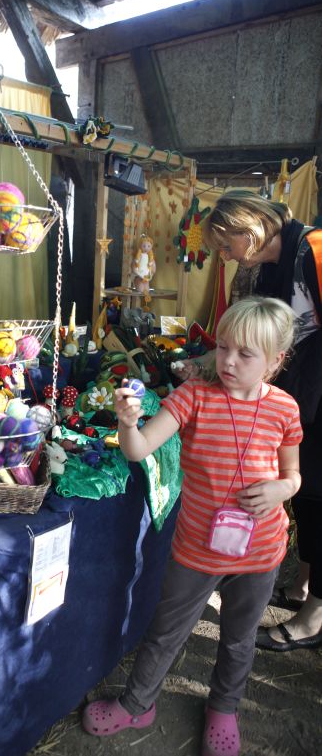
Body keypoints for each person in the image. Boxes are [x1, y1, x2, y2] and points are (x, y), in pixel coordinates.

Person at [82, 296, 302, 756]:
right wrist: (127, 423)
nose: (228, 361)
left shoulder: (284, 408)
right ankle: (137, 704)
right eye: (223, 347)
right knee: (166, 631)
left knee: (239, 639)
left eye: (245, 354)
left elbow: (293, 475)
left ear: (275, 360)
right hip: (197, 550)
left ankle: (224, 707)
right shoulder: (194, 397)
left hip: (261, 552)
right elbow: (139, 450)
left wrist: (282, 489)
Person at [203, 190, 322, 653]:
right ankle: (303, 586)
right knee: (308, 495)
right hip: (303, 397)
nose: (226, 254)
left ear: (248, 229)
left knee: (318, 496)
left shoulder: (314, 249)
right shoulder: (272, 268)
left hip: (318, 395)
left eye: (226, 244)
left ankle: (314, 619)